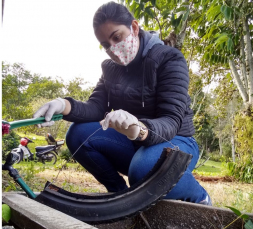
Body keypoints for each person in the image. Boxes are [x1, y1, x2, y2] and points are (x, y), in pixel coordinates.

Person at [33, 1, 212, 205]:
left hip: (177, 141)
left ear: (134, 28)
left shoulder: (168, 59)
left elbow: (171, 120)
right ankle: (120, 197)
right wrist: (64, 105)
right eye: (106, 45)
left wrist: (140, 129)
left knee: (144, 170)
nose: (113, 49)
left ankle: (200, 197)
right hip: (133, 141)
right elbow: (96, 108)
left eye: (117, 37)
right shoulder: (110, 68)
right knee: (77, 134)